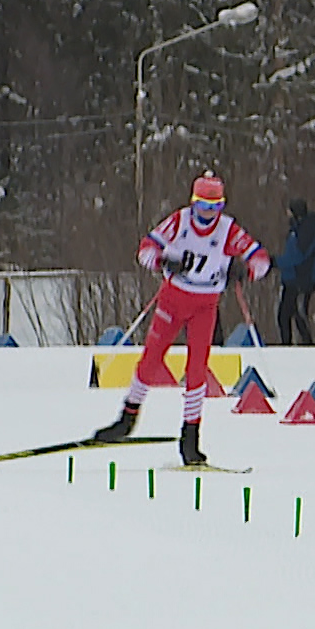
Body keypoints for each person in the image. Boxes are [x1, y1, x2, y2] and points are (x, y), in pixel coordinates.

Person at [94, 171, 271, 464]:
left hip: (205, 304)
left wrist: (246, 271)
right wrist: (163, 260)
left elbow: (261, 259)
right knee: (151, 358)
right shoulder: (180, 221)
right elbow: (145, 249)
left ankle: (190, 437)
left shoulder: (227, 229)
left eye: (214, 208)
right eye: (202, 206)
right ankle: (126, 420)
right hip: (173, 299)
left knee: (197, 368)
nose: (207, 215)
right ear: (193, 203)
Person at [275, 198, 315, 345]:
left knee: (298, 314)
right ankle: (288, 346)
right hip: (292, 279)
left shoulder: (307, 230)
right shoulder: (298, 229)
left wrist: (276, 262)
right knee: (287, 315)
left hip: (301, 280)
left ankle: (307, 345)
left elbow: (298, 256)